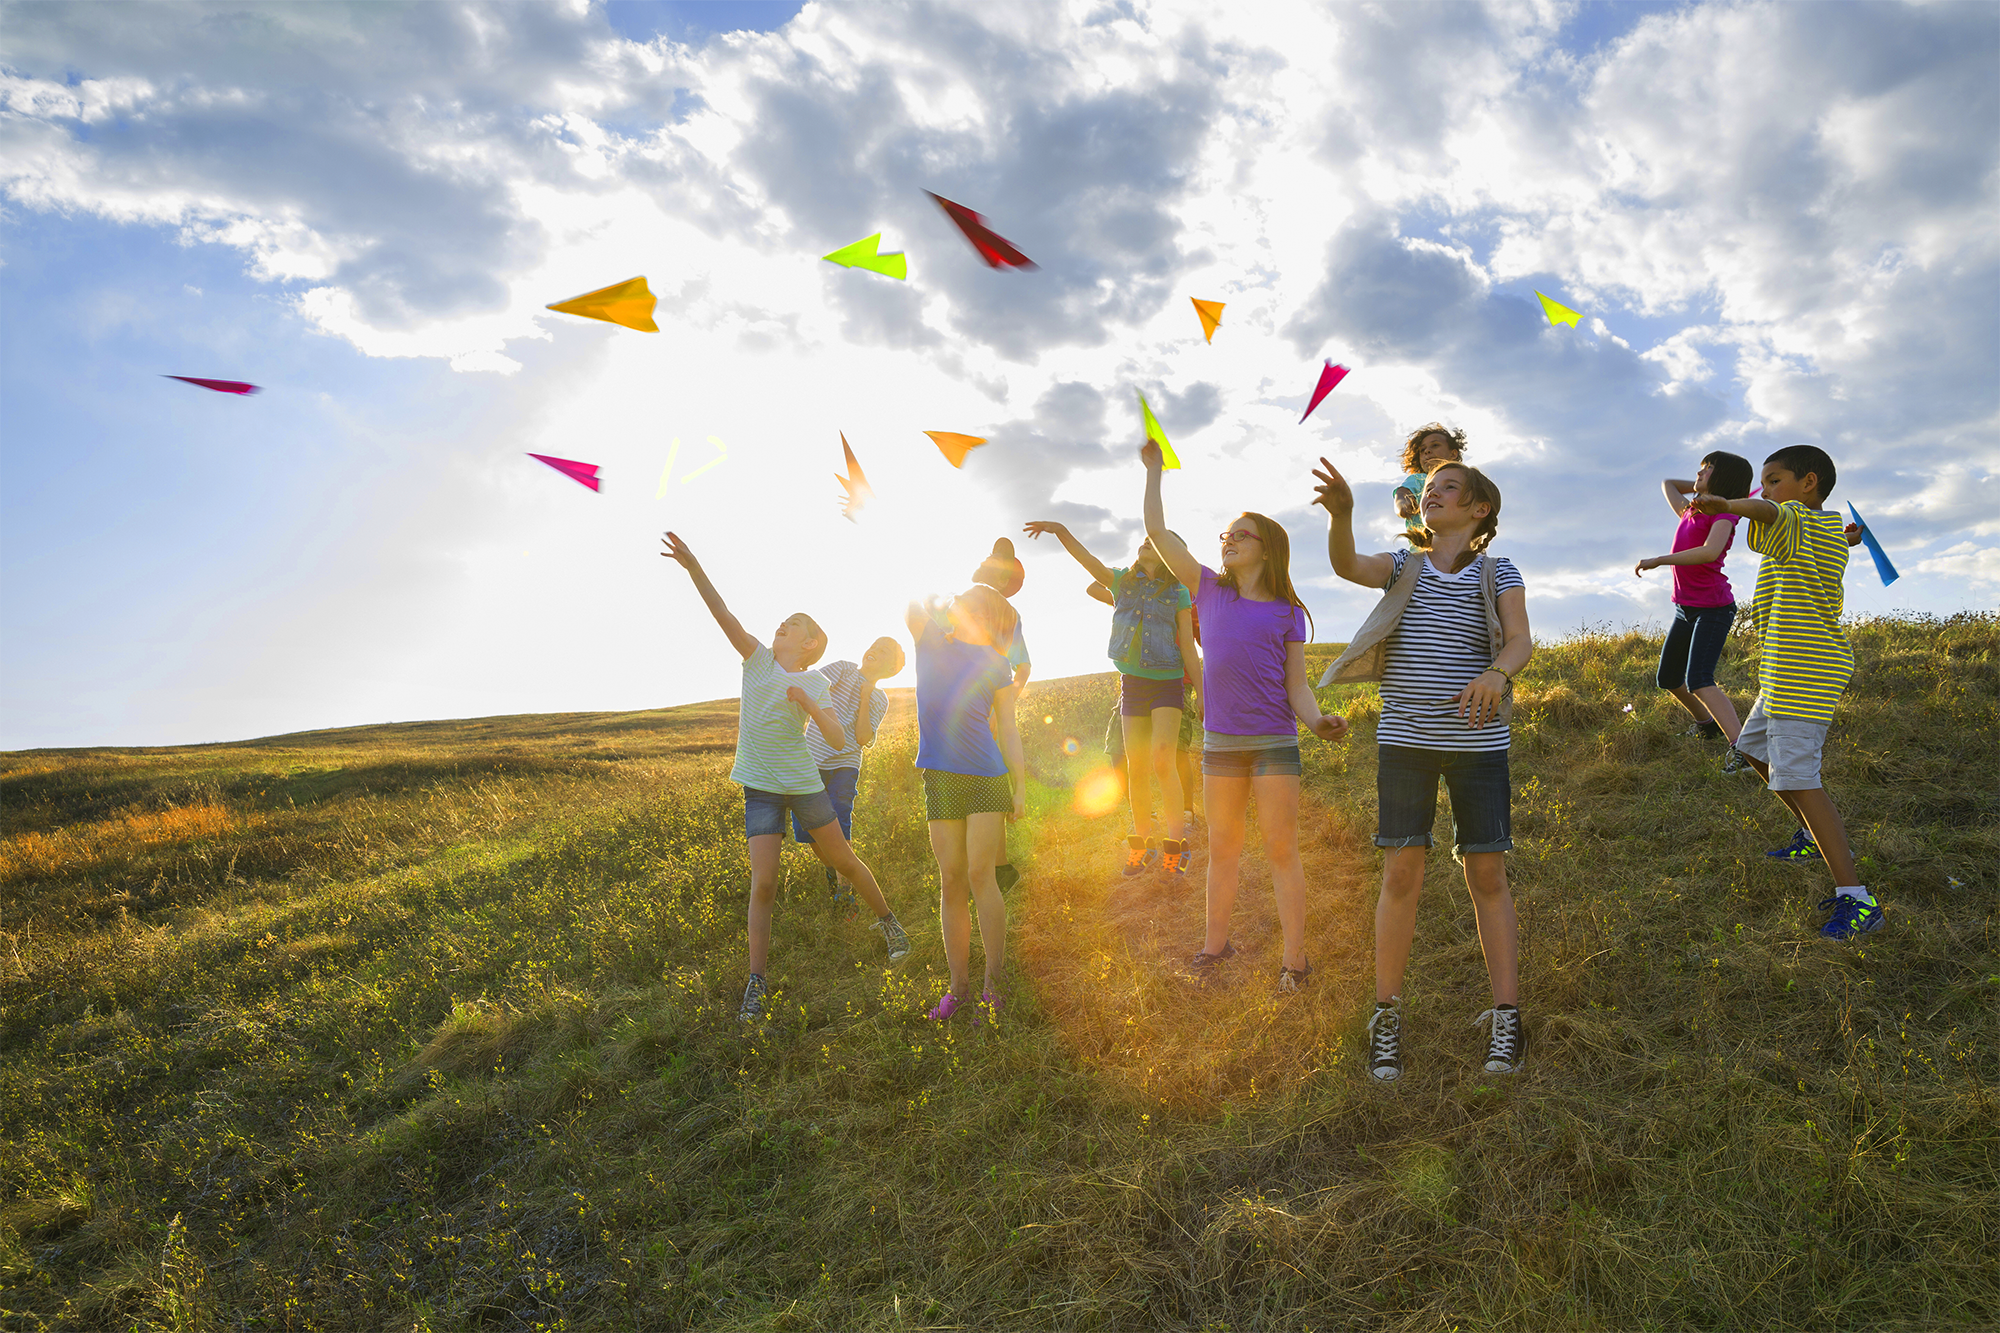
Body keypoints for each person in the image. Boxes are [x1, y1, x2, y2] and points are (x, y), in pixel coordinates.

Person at [1313, 456, 1532, 1083]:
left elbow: (1520, 639)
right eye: (1428, 489)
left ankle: (1507, 1016)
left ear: (1479, 509)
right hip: (1404, 742)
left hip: (1478, 744)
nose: (1432, 495)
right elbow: (1346, 564)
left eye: (1448, 489)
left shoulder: (1497, 570)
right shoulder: (1403, 566)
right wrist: (1343, 516)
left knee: (1486, 874)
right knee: (1401, 873)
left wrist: (1497, 672)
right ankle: (1385, 1016)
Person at [660, 532, 911, 1023]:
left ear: (810, 643)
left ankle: (890, 924)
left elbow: (840, 740)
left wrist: (812, 704)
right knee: (765, 884)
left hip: (805, 783)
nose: (783, 625)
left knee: (843, 859)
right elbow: (725, 616)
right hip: (761, 788)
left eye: (794, 624)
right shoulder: (755, 660)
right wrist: (695, 570)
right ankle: (757, 982)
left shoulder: (817, 679)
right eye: (784, 622)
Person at [1139, 441, 1349, 993]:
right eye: (1224, 536)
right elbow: (1160, 536)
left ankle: (1295, 960)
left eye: (1240, 535)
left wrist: (1317, 720)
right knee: (1224, 849)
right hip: (1221, 745)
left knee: (1281, 848)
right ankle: (1215, 946)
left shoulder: (1287, 611)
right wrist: (1154, 472)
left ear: (1267, 548)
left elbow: (1296, 685)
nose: (1228, 541)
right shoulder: (1207, 588)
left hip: (1275, 741)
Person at [1691, 445, 1879, 940]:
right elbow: (1799, 525)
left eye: (1773, 478)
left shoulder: (1793, 516)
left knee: (1799, 777)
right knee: (1752, 749)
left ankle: (1857, 900)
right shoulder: (1827, 527)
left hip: (1806, 672)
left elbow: (1768, 510)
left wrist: (1728, 505)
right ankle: (1813, 836)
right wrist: (1853, 539)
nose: (1765, 488)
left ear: (1808, 482)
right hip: (1785, 674)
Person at [1024, 521, 1199, 877]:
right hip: (1133, 683)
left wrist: (1204, 692)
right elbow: (1086, 560)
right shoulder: (1121, 581)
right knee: (1135, 766)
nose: (1148, 542)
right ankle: (1143, 844)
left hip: (1168, 682)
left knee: (1163, 760)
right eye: (1146, 539)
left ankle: (1177, 846)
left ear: (1171, 555)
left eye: (1157, 542)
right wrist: (1061, 530)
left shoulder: (1178, 592)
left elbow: (1190, 647)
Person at [908, 584, 1027, 1022]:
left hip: (986, 776)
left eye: (969, 602)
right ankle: (958, 987)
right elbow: (906, 594)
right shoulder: (929, 641)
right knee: (952, 879)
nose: (956, 602)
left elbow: (1009, 730)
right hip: (939, 778)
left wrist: (1020, 786)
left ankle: (994, 982)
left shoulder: (997, 665)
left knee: (981, 874)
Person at [1635, 451, 1755, 752]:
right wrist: (1705, 487)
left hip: (1713, 608)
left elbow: (1708, 552)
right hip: (1685, 608)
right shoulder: (1690, 510)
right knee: (1668, 679)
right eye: (1699, 470)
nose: (1698, 475)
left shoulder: (1724, 516)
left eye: (1707, 470)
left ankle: (1744, 748)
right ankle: (1707, 726)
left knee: (1700, 680)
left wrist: (1661, 559)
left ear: (1722, 478)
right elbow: (1669, 483)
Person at [1091, 580, 1202, 840]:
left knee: (1175, 750)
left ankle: (1186, 814)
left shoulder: (1183, 593)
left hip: (1175, 681)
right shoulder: (1133, 591)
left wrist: (1202, 686)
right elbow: (1093, 589)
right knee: (1117, 746)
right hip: (1136, 682)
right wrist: (1126, 577)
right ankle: (1145, 815)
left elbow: (1199, 640)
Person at [803, 636, 905, 904]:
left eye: (883, 652)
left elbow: (861, 738)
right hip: (811, 761)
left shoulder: (880, 699)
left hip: (844, 766)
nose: (874, 650)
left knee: (839, 823)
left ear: (891, 669)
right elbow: (812, 684)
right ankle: (835, 870)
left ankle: (845, 893)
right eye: (874, 646)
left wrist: (865, 696)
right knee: (810, 830)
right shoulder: (843, 669)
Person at [972, 540, 1031, 890]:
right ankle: (992, 867)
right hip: (956, 702)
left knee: (989, 778)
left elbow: (1022, 665)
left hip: (987, 699)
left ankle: (999, 866)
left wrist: (1005, 701)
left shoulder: (1009, 615)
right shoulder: (960, 600)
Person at [1392, 424, 1467, 539]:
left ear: (1453, 453)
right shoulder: (1420, 479)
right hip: (1424, 552)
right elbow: (1402, 492)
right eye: (1422, 450)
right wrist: (1402, 502)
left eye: (1435, 445)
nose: (1427, 451)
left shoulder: (1466, 480)